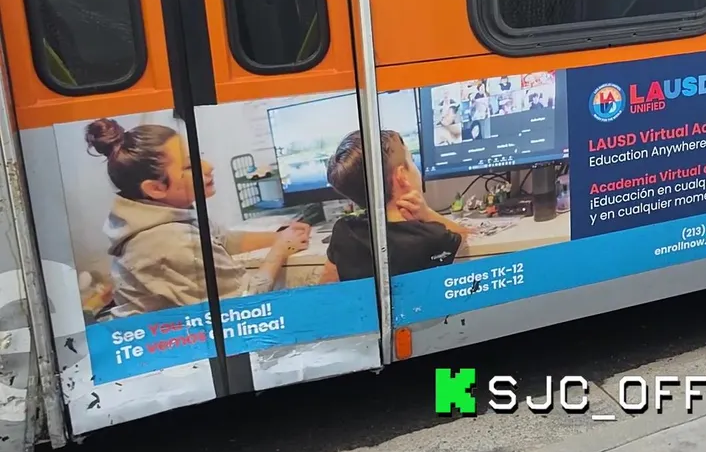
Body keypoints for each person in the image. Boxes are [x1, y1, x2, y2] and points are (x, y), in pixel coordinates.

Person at [85, 118, 310, 317]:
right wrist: (280, 250)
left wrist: (279, 237)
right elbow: (244, 306)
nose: (208, 167)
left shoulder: (163, 212)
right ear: (155, 188)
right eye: (189, 166)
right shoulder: (167, 240)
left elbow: (222, 239)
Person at [322, 129, 476, 282]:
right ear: (402, 175)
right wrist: (428, 214)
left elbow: (326, 288)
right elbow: (465, 236)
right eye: (412, 161)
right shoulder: (433, 236)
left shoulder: (343, 231)